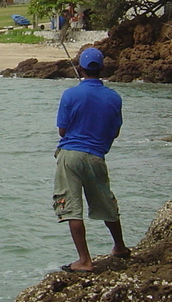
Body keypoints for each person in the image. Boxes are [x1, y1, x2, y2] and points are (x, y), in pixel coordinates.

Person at [53, 47, 130, 272]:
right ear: (103, 69)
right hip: (97, 156)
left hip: (70, 156)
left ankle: (84, 260)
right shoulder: (114, 98)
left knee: (71, 208)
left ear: (80, 68)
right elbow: (114, 132)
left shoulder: (70, 94)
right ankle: (120, 247)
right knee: (106, 202)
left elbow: (62, 131)